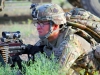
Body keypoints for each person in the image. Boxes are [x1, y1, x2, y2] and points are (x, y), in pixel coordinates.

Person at [13, 3, 100, 75]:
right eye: (37, 23)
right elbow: (34, 62)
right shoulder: (47, 38)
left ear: (55, 25)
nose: (38, 27)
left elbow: (56, 72)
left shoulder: (71, 43)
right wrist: (19, 63)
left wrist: (31, 62)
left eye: (42, 23)